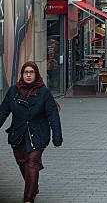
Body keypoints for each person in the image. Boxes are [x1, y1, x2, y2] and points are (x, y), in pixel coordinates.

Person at [0, 62, 62, 203]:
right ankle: (33, 187)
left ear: (36, 74)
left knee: (32, 163)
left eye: (31, 72)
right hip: (18, 134)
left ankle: (28, 198)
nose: (28, 75)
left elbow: (53, 115)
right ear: (22, 74)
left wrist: (57, 137)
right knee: (22, 162)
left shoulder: (44, 92)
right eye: (26, 72)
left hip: (38, 134)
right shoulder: (13, 91)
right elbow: (3, 111)